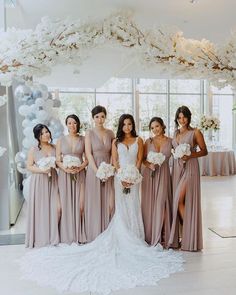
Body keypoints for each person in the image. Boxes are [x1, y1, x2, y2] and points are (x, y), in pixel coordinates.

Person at [19, 114, 183, 294]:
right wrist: (122, 176)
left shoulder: (140, 140)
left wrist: (133, 176)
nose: (127, 126)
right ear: (120, 125)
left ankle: (136, 236)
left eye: (129, 124)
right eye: (124, 124)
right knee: (119, 208)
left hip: (134, 179)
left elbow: (139, 160)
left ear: (132, 125)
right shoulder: (115, 141)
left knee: (134, 206)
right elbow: (115, 160)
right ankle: (119, 234)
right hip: (119, 178)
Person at [168, 106, 208, 251]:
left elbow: (204, 151)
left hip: (190, 167)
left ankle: (189, 233)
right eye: (179, 117)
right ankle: (185, 235)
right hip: (177, 168)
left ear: (189, 117)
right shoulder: (175, 132)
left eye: (184, 116)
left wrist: (190, 155)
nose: (182, 120)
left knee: (179, 199)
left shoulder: (195, 132)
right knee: (180, 202)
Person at [25, 124, 60, 248]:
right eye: (42, 133)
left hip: (53, 180)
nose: (46, 135)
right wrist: (42, 170)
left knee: (56, 208)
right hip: (39, 181)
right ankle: (42, 237)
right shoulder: (34, 150)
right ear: (38, 137)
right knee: (42, 209)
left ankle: (54, 235)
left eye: (47, 132)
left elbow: (59, 162)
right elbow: (29, 166)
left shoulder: (55, 147)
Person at [84, 105, 115, 242]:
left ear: (105, 117)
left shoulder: (110, 133)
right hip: (94, 169)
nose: (100, 119)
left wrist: (110, 169)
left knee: (109, 202)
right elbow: (88, 154)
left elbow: (113, 154)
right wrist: (98, 172)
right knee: (95, 200)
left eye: (102, 116)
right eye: (97, 117)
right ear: (93, 118)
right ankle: (95, 233)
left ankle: (109, 231)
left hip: (108, 169)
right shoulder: (89, 133)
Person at [56, 114, 88, 244]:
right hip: (65, 175)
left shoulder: (84, 139)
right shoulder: (60, 140)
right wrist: (65, 168)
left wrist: (80, 167)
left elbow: (87, 158)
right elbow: (58, 160)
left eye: (74, 123)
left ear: (78, 124)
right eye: (69, 123)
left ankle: (80, 234)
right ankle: (67, 235)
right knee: (66, 205)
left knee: (81, 206)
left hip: (80, 174)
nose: (72, 126)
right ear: (66, 125)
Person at [142, 117, 172, 247]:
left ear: (162, 126)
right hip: (149, 175)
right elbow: (142, 159)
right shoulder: (147, 142)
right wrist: (149, 165)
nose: (155, 130)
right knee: (151, 205)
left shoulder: (171, 141)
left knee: (161, 204)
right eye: (152, 127)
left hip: (164, 174)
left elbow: (181, 152)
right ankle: (151, 235)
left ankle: (162, 235)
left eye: (157, 126)